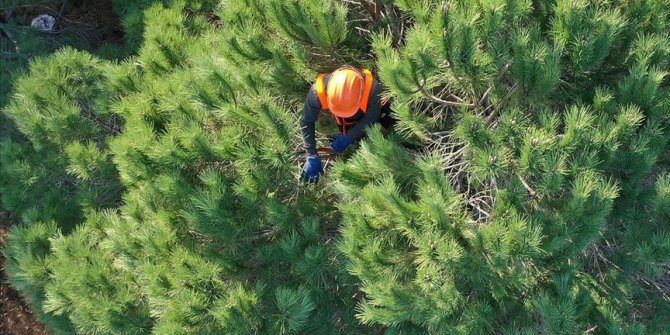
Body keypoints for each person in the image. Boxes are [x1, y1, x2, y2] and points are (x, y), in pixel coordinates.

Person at [300, 65, 393, 183]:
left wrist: (349, 137)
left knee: (391, 122)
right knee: (359, 144)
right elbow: (306, 121)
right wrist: (311, 154)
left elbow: (371, 117)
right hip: (346, 114)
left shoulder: (372, 89)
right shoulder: (318, 91)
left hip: (373, 108)